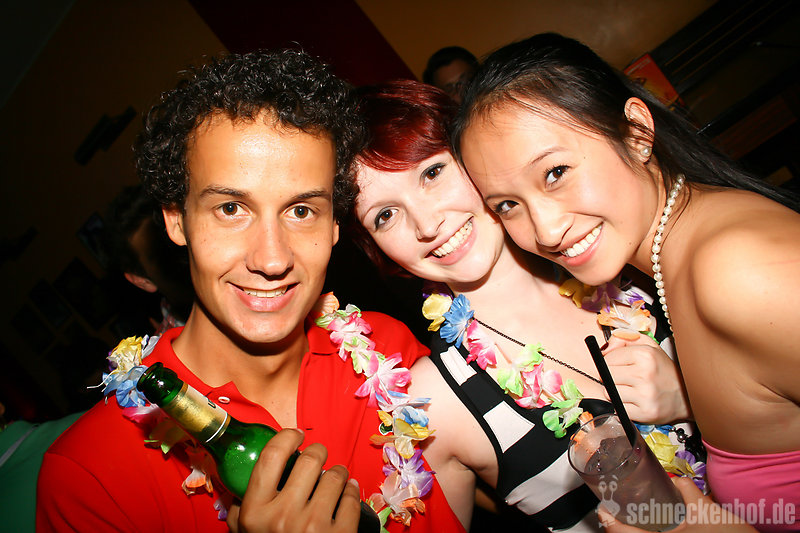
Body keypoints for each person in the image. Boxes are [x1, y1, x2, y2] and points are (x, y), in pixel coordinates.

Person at [36, 50, 462, 532]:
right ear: (177, 219)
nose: (272, 260)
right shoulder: (90, 479)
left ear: (335, 226)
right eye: (230, 209)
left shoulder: (388, 352)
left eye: (301, 211)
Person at [453, 32, 800, 532]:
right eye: (507, 204)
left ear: (637, 132)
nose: (545, 231)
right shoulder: (675, 261)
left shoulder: (738, 271)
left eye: (555, 172)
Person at [350, 79, 697, 532]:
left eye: (432, 173)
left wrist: (691, 399)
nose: (428, 223)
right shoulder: (434, 407)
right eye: (385, 215)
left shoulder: (620, 254)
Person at [104, 184, 194, 333]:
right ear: (142, 281)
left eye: (185, 232)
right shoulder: (171, 346)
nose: (188, 252)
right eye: (166, 253)